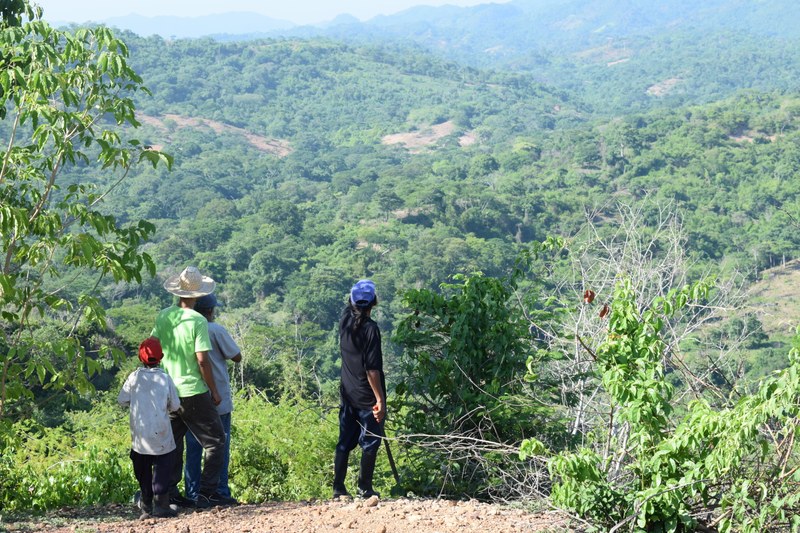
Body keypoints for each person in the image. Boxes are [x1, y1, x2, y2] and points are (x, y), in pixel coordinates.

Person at [151, 266, 235, 508]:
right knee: (216, 441)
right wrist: (215, 391)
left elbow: (154, 346)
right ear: (197, 296)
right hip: (193, 392)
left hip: (168, 390)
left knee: (172, 444)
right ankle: (208, 493)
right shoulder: (198, 320)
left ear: (178, 293)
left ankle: (169, 493)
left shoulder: (164, 315)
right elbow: (202, 360)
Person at [184, 293, 242, 503]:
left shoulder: (185, 328)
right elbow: (236, 356)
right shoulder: (215, 330)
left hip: (190, 395)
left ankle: (192, 493)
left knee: (193, 447)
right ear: (210, 311)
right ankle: (218, 491)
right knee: (219, 446)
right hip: (217, 398)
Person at [332, 279, 386, 499]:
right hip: (366, 397)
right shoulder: (371, 329)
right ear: (374, 302)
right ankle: (365, 489)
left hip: (348, 393)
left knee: (345, 441)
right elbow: (372, 370)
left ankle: (338, 488)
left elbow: (352, 305)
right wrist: (380, 400)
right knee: (370, 441)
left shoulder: (345, 320)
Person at [118, 337, 181, 519]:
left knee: (142, 469)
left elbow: (122, 400)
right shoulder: (165, 378)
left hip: (140, 437)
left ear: (141, 358)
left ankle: (146, 505)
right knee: (164, 464)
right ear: (160, 358)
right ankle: (162, 505)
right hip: (162, 433)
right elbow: (175, 406)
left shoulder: (134, 377)